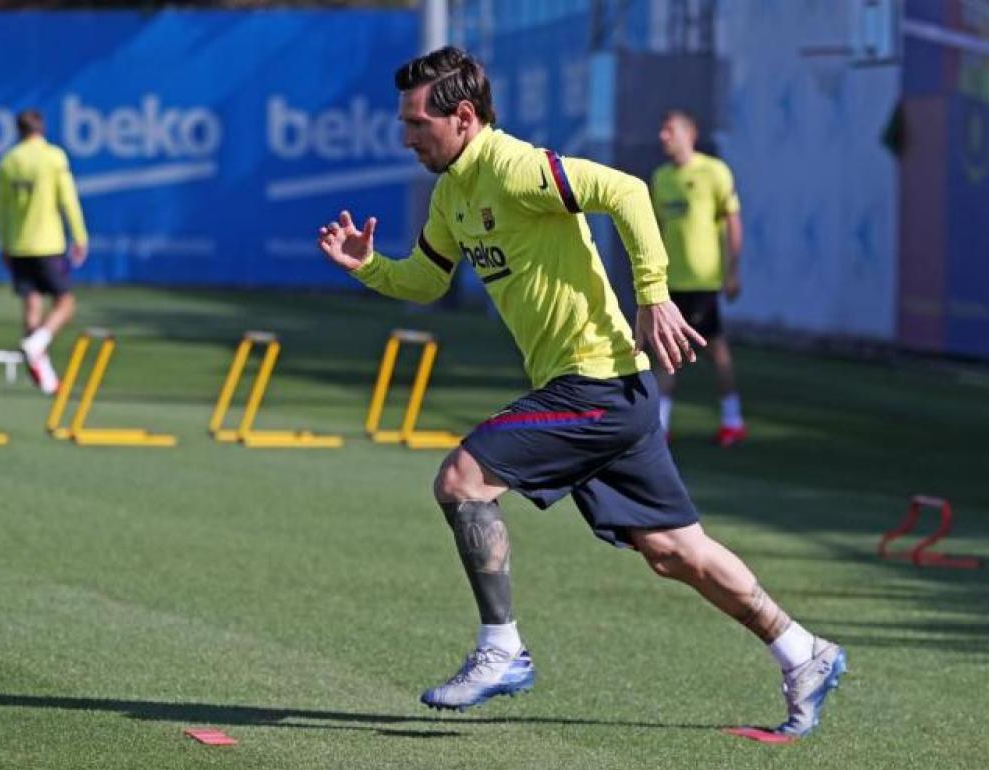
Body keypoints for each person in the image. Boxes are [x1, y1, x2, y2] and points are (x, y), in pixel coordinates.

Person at [316, 46, 845, 737]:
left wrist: (653, 296)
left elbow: (626, 191)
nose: (407, 137)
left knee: (463, 482)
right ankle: (803, 651)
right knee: (675, 552)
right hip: (605, 392)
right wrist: (370, 268)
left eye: (417, 123)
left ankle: (502, 648)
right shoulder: (453, 193)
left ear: (465, 118)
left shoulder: (513, 166)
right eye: (406, 123)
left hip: (595, 380)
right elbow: (427, 280)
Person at [651, 110, 746, 446]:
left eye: (670, 130)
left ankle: (732, 419)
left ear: (690, 135)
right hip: (670, 284)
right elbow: (658, 231)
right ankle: (660, 427)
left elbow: (732, 221)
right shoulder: (661, 177)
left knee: (715, 351)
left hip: (703, 283)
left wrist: (732, 271)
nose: (664, 136)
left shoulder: (713, 171)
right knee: (666, 353)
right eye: (662, 130)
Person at [0, 108, 88, 395]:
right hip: (48, 243)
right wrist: (80, 235)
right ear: (42, 128)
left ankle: (45, 378)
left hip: (20, 243)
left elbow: (2, 207)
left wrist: (5, 243)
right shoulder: (53, 157)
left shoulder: (10, 160)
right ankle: (40, 342)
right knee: (65, 303)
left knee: (32, 304)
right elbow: (68, 199)